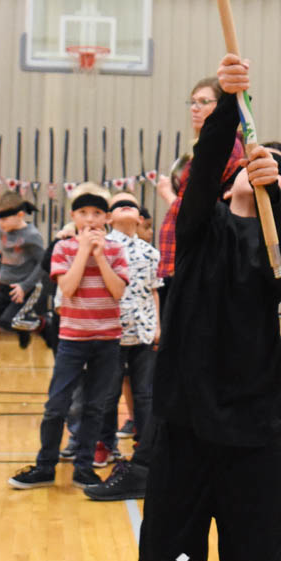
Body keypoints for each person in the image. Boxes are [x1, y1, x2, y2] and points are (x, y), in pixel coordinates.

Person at [126, 53, 281, 561]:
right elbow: (202, 174)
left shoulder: (275, 249)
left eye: (279, 171)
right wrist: (231, 103)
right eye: (254, 163)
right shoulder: (197, 231)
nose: (260, 169)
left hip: (253, 438)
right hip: (182, 432)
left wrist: (277, 192)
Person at [8, 184, 128, 490]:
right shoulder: (63, 248)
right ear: (73, 216)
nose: (90, 220)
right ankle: (45, 466)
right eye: (83, 213)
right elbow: (69, 287)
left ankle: (84, 467)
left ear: (106, 219)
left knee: (95, 407)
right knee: (57, 404)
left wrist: (100, 257)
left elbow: (117, 291)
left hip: (107, 340)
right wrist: (84, 251)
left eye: (97, 214)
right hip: (73, 339)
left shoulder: (116, 250)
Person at [155, 74, 245, 311]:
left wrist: (168, 196)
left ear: (222, 107)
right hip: (179, 259)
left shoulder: (228, 149)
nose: (195, 108)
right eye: (193, 102)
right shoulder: (202, 149)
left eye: (204, 102)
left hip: (195, 262)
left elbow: (201, 210)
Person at [94, 192, 160, 462]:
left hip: (143, 332)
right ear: (109, 217)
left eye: (131, 204)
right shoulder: (103, 247)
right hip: (111, 332)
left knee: (144, 393)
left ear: (139, 217)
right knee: (108, 394)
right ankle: (105, 444)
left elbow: (153, 292)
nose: (125, 206)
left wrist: (158, 326)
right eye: (118, 204)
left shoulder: (150, 253)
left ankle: (144, 445)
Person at [0, 193, 45, 339]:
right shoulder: (6, 231)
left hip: (23, 287)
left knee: (7, 321)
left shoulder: (31, 235)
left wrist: (24, 286)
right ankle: (22, 329)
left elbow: (44, 264)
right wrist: (0, 275)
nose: (0, 223)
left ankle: (43, 325)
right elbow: (8, 256)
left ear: (20, 215)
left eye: (4, 219)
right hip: (6, 286)